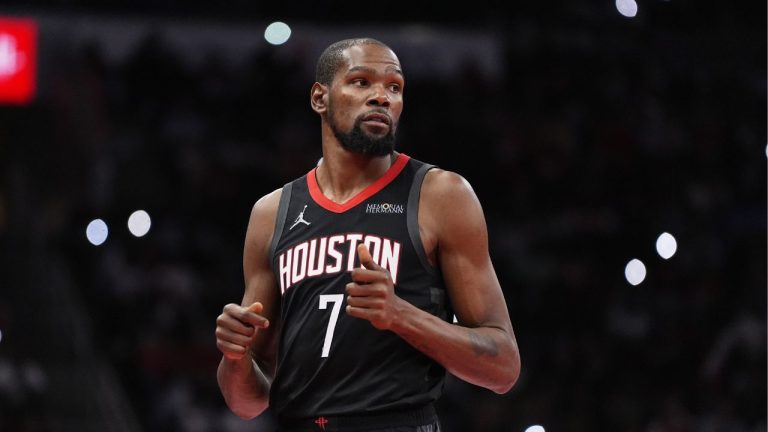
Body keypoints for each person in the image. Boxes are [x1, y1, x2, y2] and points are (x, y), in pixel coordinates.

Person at [215, 37, 521, 432]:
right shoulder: (272, 213)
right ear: (319, 98)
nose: (381, 97)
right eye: (361, 82)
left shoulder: (441, 195)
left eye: (394, 87)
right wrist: (235, 358)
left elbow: (503, 367)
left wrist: (400, 315)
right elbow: (247, 402)